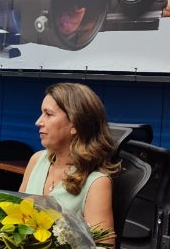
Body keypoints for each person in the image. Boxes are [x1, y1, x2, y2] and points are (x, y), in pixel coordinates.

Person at [19, 83, 119, 236]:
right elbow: (17, 218)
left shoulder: (97, 183)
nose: (38, 122)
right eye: (41, 113)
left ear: (75, 125)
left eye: (48, 114)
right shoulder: (36, 160)